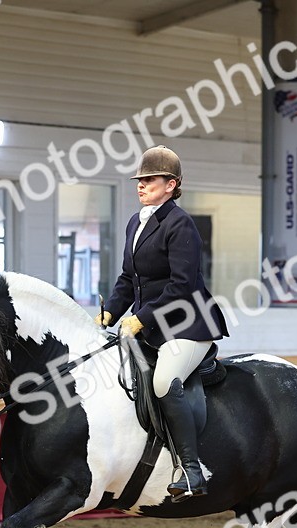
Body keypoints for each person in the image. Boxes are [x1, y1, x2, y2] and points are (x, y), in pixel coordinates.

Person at [96, 145, 229, 500]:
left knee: (162, 382)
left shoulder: (180, 222)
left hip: (188, 324)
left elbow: (181, 285)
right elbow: (130, 278)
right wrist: (111, 310)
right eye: (139, 180)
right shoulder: (135, 222)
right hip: (153, 326)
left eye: (149, 180)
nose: (141, 186)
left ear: (171, 184)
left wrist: (139, 318)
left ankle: (191, 470)